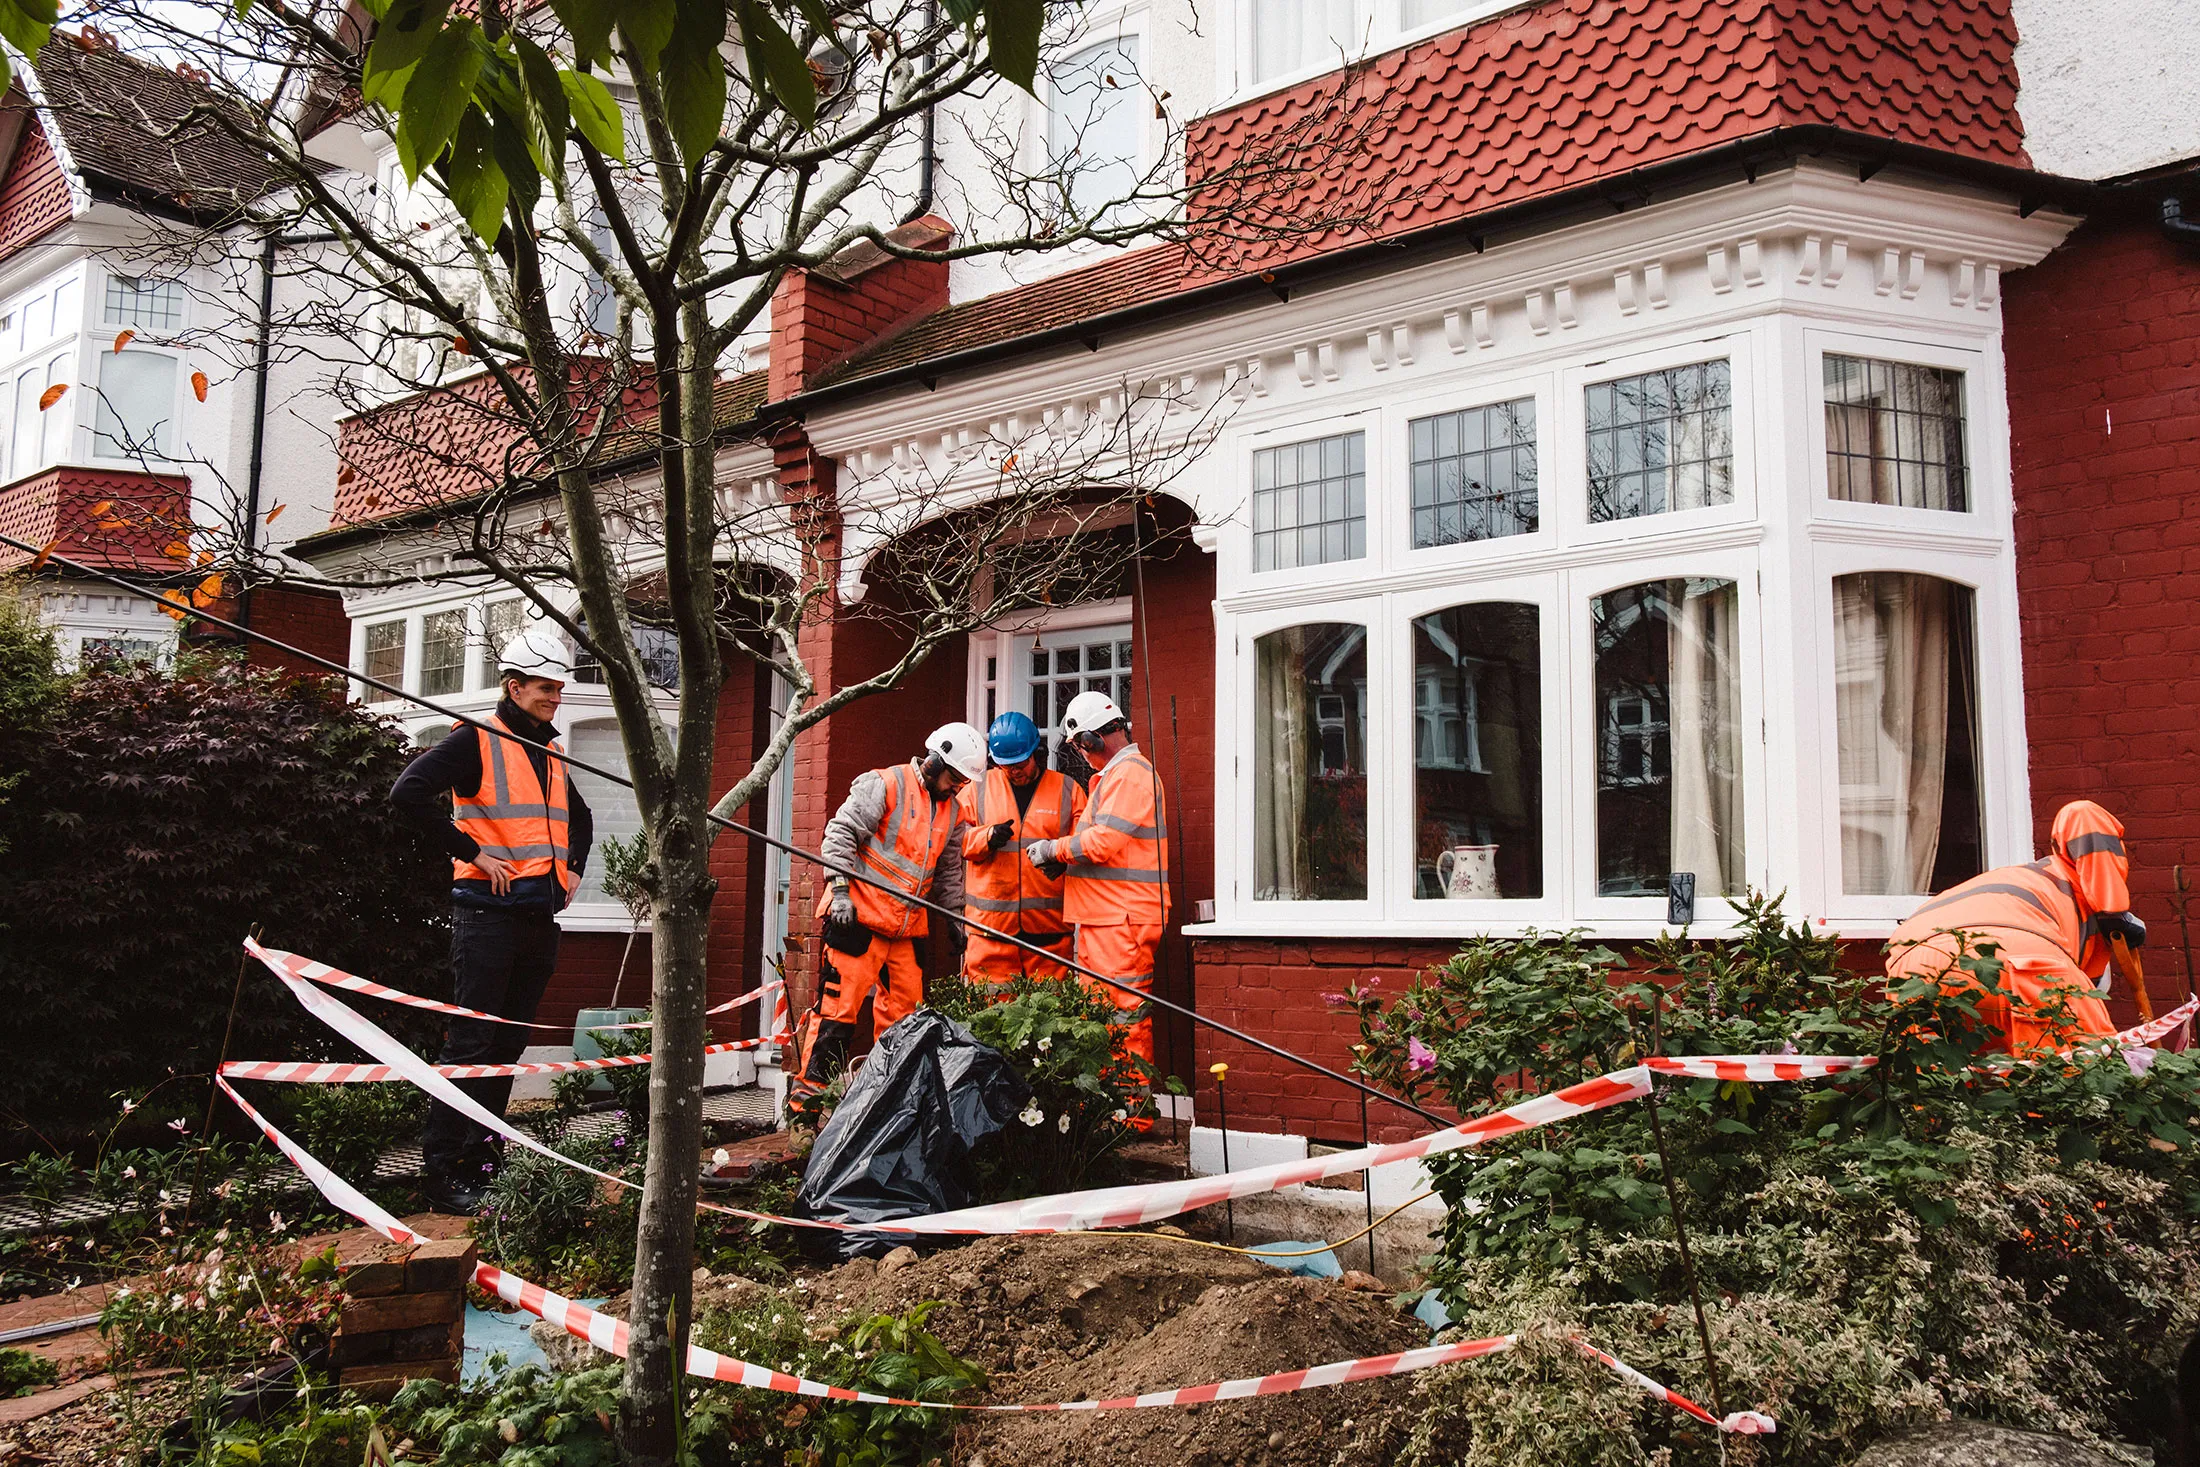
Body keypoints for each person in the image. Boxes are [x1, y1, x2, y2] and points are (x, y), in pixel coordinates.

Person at [390, 623, 593, 1212]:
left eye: (559, 689)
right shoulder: (474, 740)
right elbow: (407, 795)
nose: (555, 698)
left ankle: (483, 1163)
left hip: (537, 918)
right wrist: (473, 853)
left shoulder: (550, 749)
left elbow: (579, 819)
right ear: (513, 686)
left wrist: (573, 870)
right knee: (471, 1046)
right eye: (545, 688)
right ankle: (442, 1174)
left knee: (507, 1047)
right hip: (486, 917)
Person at [788, 722, 986, 1117]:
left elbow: (949, 872)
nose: (958, 787)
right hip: (857, 922)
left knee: (906, 1024)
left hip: (904, 931)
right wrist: (839, 891)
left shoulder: (954, 812)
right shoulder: (884, 784)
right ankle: (804, 1111)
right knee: (837, 1017)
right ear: (934, 762)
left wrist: (955, 919)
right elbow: (840, 835)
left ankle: (886, 1110)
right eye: (955, 778)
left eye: (964, 781)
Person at [1885, 799, 2147, 1056]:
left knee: (1933, 1076)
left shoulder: (2021, 880)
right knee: (2084, 1065)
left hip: (1911, 967)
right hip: (2017, 955)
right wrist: (2114, 911)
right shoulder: (2085, 901)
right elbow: (2083, 817)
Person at [1024, 692, 1170, 1108]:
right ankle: (1111, 1109)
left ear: (1090, 740)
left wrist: (1053, 851)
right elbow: (1108, 849)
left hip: (1120, 920)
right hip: (1107, 918)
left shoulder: (1129, 775)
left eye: (1079, 746)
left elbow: (1103, 842)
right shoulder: (1118, 777)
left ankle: (1131, 1114)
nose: (1080, 755)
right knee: (1100, 1018)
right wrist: (1068, 864)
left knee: (1122, 1017)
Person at [958, 712, 1087, 992]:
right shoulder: (976, 789)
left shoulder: (1068, 791)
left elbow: (1084, 846)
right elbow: (952, 841)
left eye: (1019, 764)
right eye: (1006, 766)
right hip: (990, 933)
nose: (1014, 771)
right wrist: (985, 837)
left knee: (1050, 1014)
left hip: (1049, 934)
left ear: (1037, 755)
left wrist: (1062, 859)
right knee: (990, 1012)